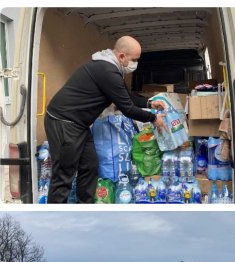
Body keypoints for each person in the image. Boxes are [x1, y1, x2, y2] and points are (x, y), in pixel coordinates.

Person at [45, 36, 168, 203]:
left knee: (89, 167)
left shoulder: (112, 69)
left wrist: (149, 103)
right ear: (122, 56)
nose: (136, 64)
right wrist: (153, 118)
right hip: (64, 122)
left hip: (79, 125)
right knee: (64, 176)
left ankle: (85, 206)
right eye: (135, 60)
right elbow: (127, 109)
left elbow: (126, 97)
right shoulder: (107, 71)